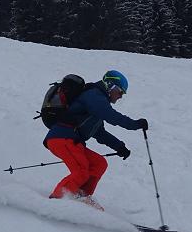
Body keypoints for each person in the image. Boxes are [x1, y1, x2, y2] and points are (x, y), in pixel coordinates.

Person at [44, 69, 148, 209]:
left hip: (72, 141)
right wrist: (135, 124)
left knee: (99, 163)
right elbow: (112, 116)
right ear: (110, 86)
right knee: (81, 171)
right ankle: (56, 201)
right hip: (62, 138)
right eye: (120, 92)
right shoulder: (94, 96)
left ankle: (81, 196)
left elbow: (99, 133)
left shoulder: (98, 103)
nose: (120, 96)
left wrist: (119, 147)